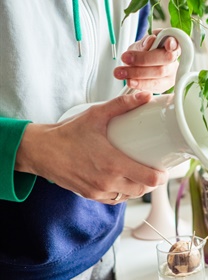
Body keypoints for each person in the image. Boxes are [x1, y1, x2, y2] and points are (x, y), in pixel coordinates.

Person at [0, 1, 180, 279]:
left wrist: (153, 72)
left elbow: (119, 78)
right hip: (16, 258)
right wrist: (31, 149)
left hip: (106, 237)